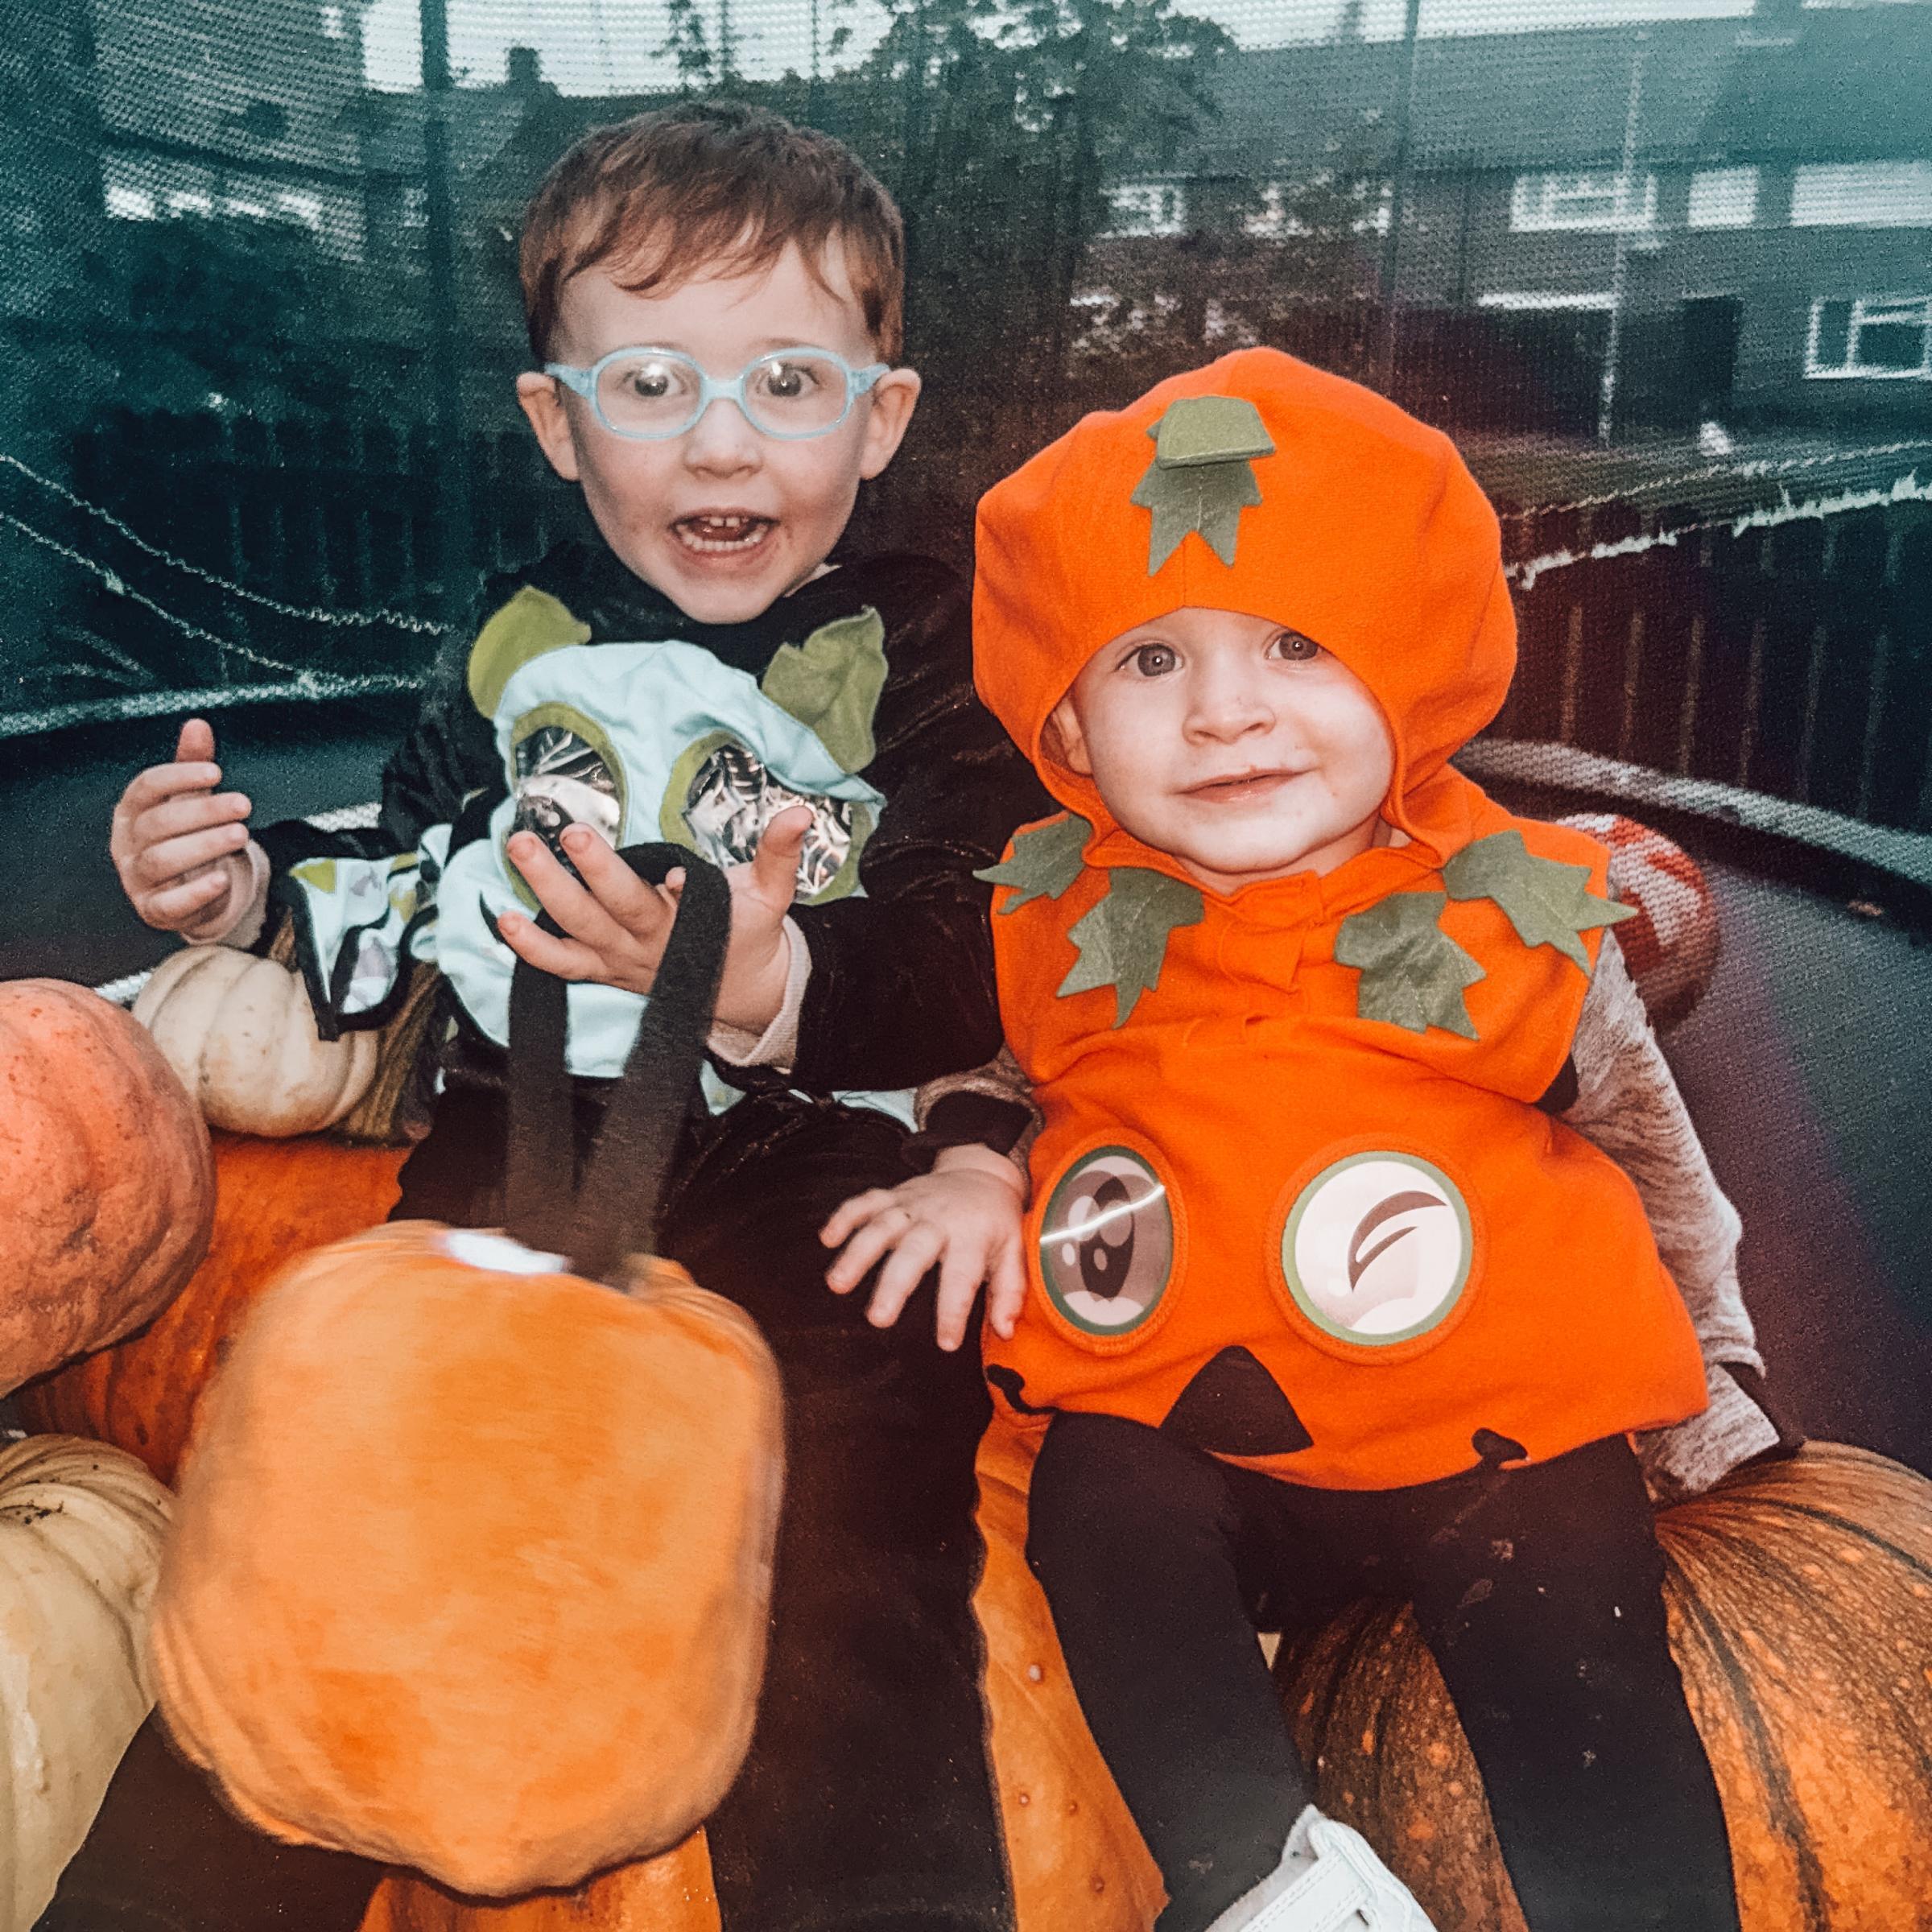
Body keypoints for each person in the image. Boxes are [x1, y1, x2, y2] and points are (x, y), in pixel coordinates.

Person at [82, 102, 1046, 1932]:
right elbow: (416, 863)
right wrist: (249, 892)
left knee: (857, 1494)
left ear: (881, 415)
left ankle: (879, 1896)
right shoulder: (513, 640)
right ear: (559, 421)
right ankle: (177, 1887)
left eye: (786, 382)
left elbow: (976, 933)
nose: (724, 440)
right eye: (653, 386)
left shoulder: (927, 653)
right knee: (362, 1488)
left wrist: (773, 985)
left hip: (809, 1156)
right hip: (519, 1139)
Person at [824, 348, 1794, 1932]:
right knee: (1099, 1510)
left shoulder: (1509, 915)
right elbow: (993, 1065)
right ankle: (1261, 1881)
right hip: (1201, 1421)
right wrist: (971, 1165)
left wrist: (1717, 1381)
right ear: (1065, 710)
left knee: (1580, 1656)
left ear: (1405, 664)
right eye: (1150, 660)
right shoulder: (1056, 901)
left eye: (1294, 642)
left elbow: (1643, 1139)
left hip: (1492, 1428)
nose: (1227, 715)